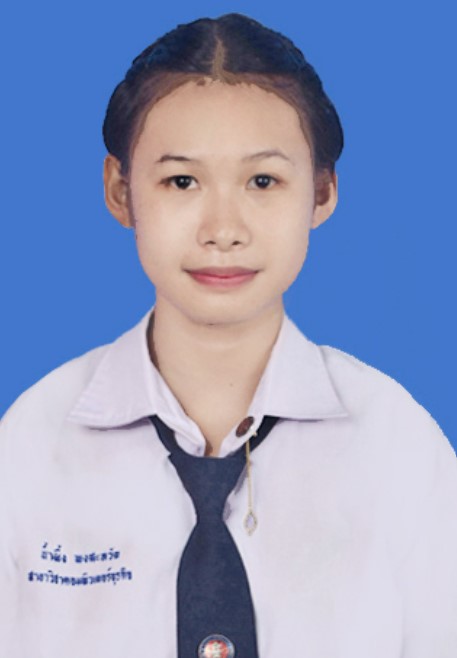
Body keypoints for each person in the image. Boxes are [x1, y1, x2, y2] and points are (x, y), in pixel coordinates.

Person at [1, 12, 456, 658]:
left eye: (262, 181)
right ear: (120, 191)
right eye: (181, 181)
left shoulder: (397, 444)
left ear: (322, 192)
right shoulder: (31, 443)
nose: (222, 229)